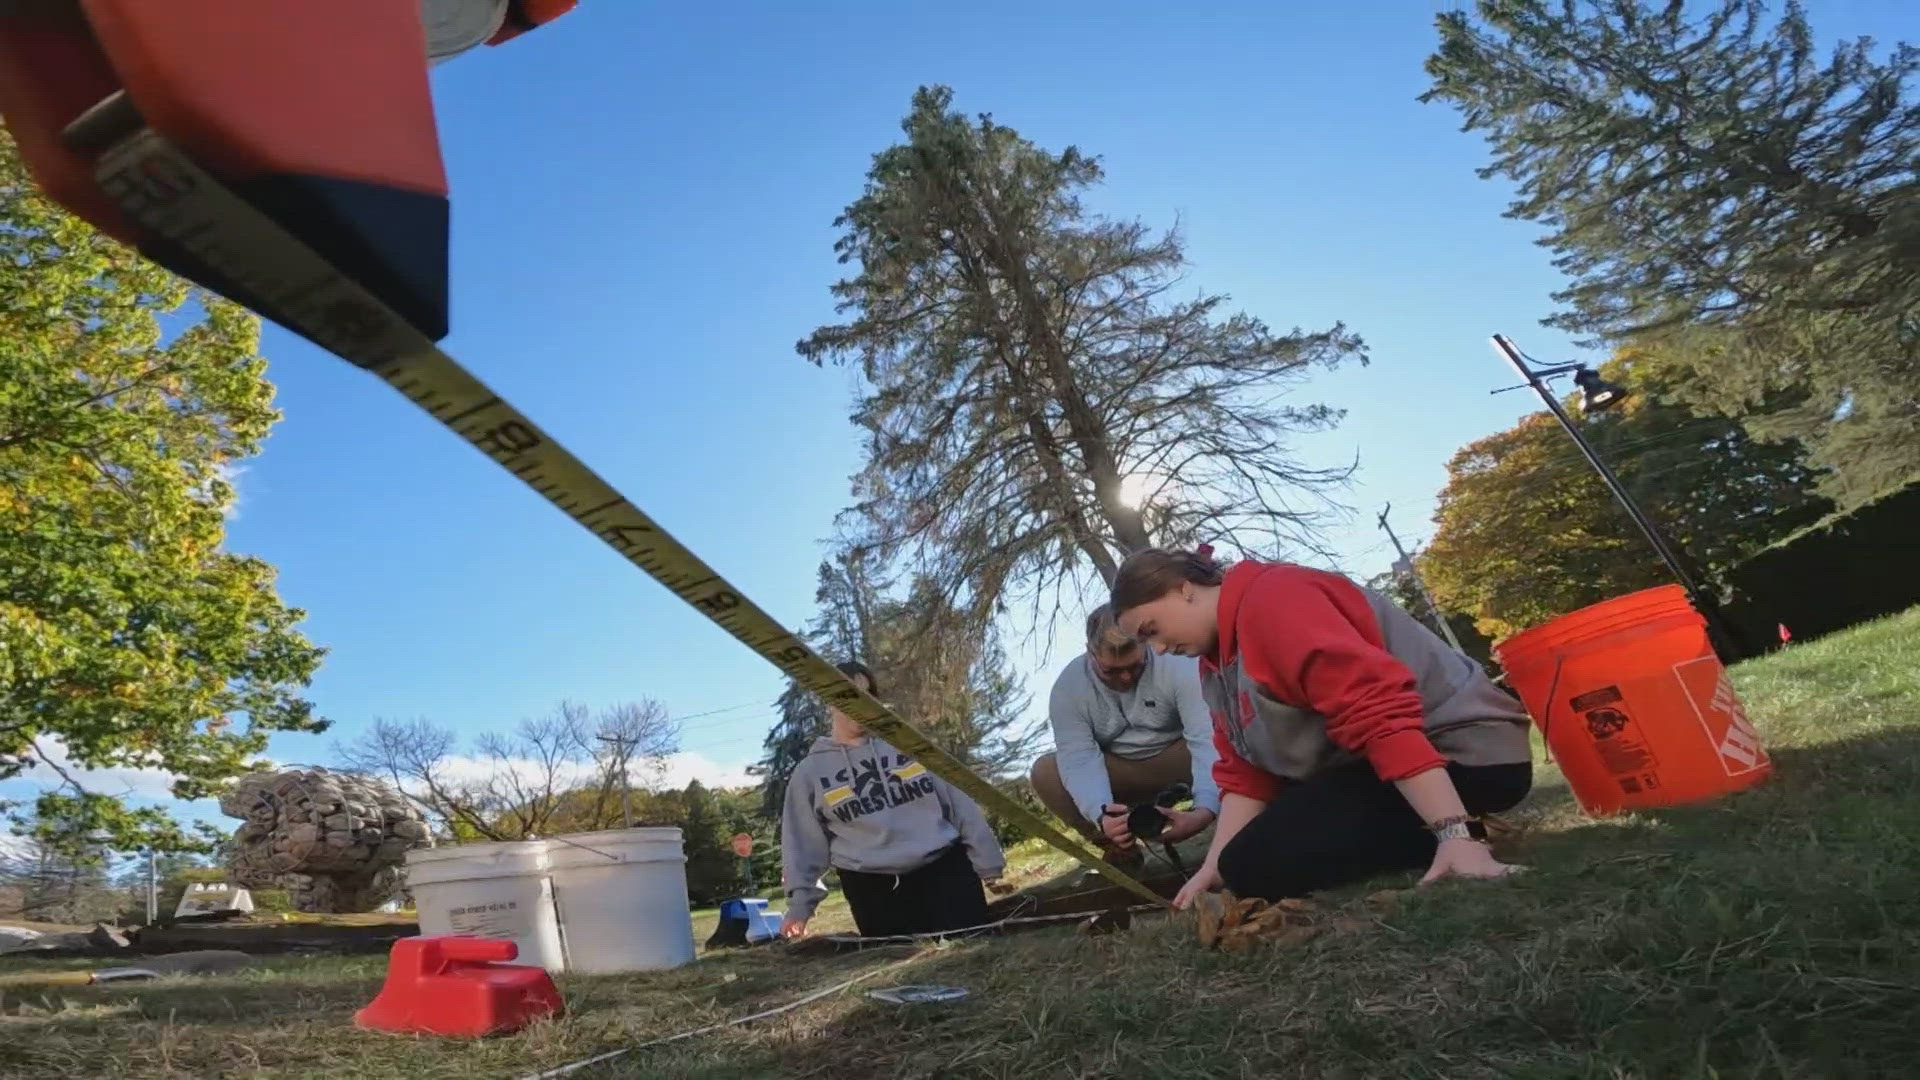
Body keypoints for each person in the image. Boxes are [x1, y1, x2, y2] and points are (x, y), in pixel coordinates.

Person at [1108, 546, 1533, 909]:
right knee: (1242, 866)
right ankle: (1460, 828)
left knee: (1260, 864)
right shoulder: (1215, 662)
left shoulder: (1276, 600)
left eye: (1152, 631)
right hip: (1380, 766)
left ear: (1184, 589)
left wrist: (1454, 833)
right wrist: (1212, 868)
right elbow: (1246, 774)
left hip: (1467, 753)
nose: (1159, 649)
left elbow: (1376, 714)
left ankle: (1464, 832)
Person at [779, 661, 1008, 939]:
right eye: (849, 694)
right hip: (874, 889)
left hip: (945, 869)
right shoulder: (810, 773)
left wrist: (989, 865)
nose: (860, 704)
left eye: (868, 695)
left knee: (971, 941)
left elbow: (961, 807)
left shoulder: (909, 744)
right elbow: (802, 846)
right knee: (901, 957)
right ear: (829, 701)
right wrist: (799, 909)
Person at [1030, 603, 1221, 865]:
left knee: (1229, 732)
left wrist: (1205, 809)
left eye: (1134, 666)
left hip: (1180, 755)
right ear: (1090, 653)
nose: (1126, 678)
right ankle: (1117, 846)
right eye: (1111, 670)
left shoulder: (1176, 662)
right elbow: (1079, 759)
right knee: (1045, 772)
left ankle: (1233, 812)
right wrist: (1102, 814)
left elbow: (1206, 736)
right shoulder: (1068, 689)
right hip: (1122, 772)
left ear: (1144, 644)